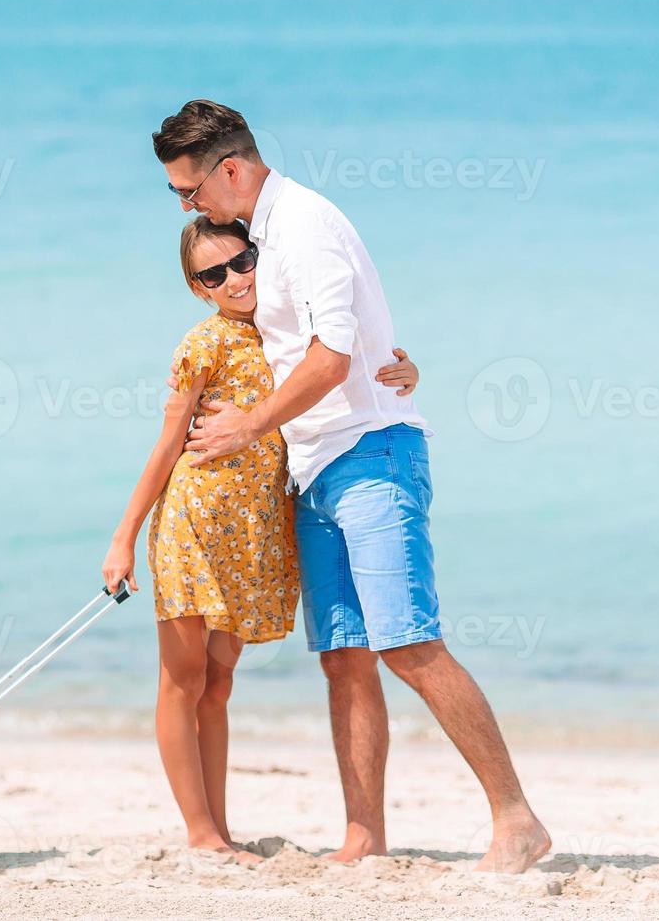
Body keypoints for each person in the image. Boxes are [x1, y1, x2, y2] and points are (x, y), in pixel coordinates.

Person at [151, 99, 551, 873]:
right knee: (345, 656)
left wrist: (248, 425)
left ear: (229, 170)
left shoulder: (307, 226)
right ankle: (364, 835)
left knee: (409, 642)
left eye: (188, 190)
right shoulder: (260, 241)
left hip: (370, 455)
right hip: (313, 469)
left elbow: (333, 357)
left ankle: (516, 816)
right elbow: (325, 339)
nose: (186, 205)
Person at [101, 215, 420, 861]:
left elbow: (358, 365)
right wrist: (123, 537)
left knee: (219, 685)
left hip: (252, 536)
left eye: (242, 262)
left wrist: (409, 372)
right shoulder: (202, 346)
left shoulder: (291, 335)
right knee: (183, 679)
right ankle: (200, 833)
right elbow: (167, 446)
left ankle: (217, 831)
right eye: (214, 274)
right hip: (193, 524)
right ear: (199, 288)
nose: (235, 280)